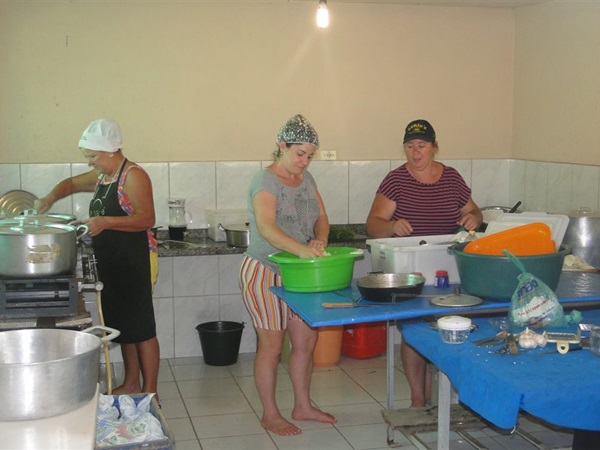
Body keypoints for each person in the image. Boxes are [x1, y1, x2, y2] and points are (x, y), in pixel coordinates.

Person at [36, 118, 161, 397]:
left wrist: (105, 222)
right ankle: (131, 382)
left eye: (93, 156)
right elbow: (69, 183)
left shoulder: (133, 176)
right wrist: (49, 198)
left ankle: (150, 392)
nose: (90, 162)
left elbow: (147, 218)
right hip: (113, 260)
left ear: (109, 151)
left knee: (142, 326)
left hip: (136, 260)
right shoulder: (105, 177)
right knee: (124, 324)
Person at [366, 119, 482, 407]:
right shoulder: (396, 180)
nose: (415, 153)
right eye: (409, 146)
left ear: (434, 147)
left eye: (422, 146)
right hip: (411, 272)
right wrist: (392, 227)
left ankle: (455, 399)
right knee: (415, 333)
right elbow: (372, 225)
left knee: (450, 328)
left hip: (449, 271)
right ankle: (419, 400)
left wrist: (474, 219)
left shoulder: (452, 178)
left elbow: (474, 211)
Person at [238, 114, 336, 436]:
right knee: (271, 346)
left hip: (299, 274)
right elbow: (266, 228)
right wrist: (302, 249)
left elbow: (321, 217)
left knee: (306, 341)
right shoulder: (264, 181)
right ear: (282, 146)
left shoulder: (306, 180)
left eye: (310, 155)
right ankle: (270, 413)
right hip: (264, 271)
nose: (305, 161)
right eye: (300, 154)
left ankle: (303, 405)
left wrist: (319, 238)